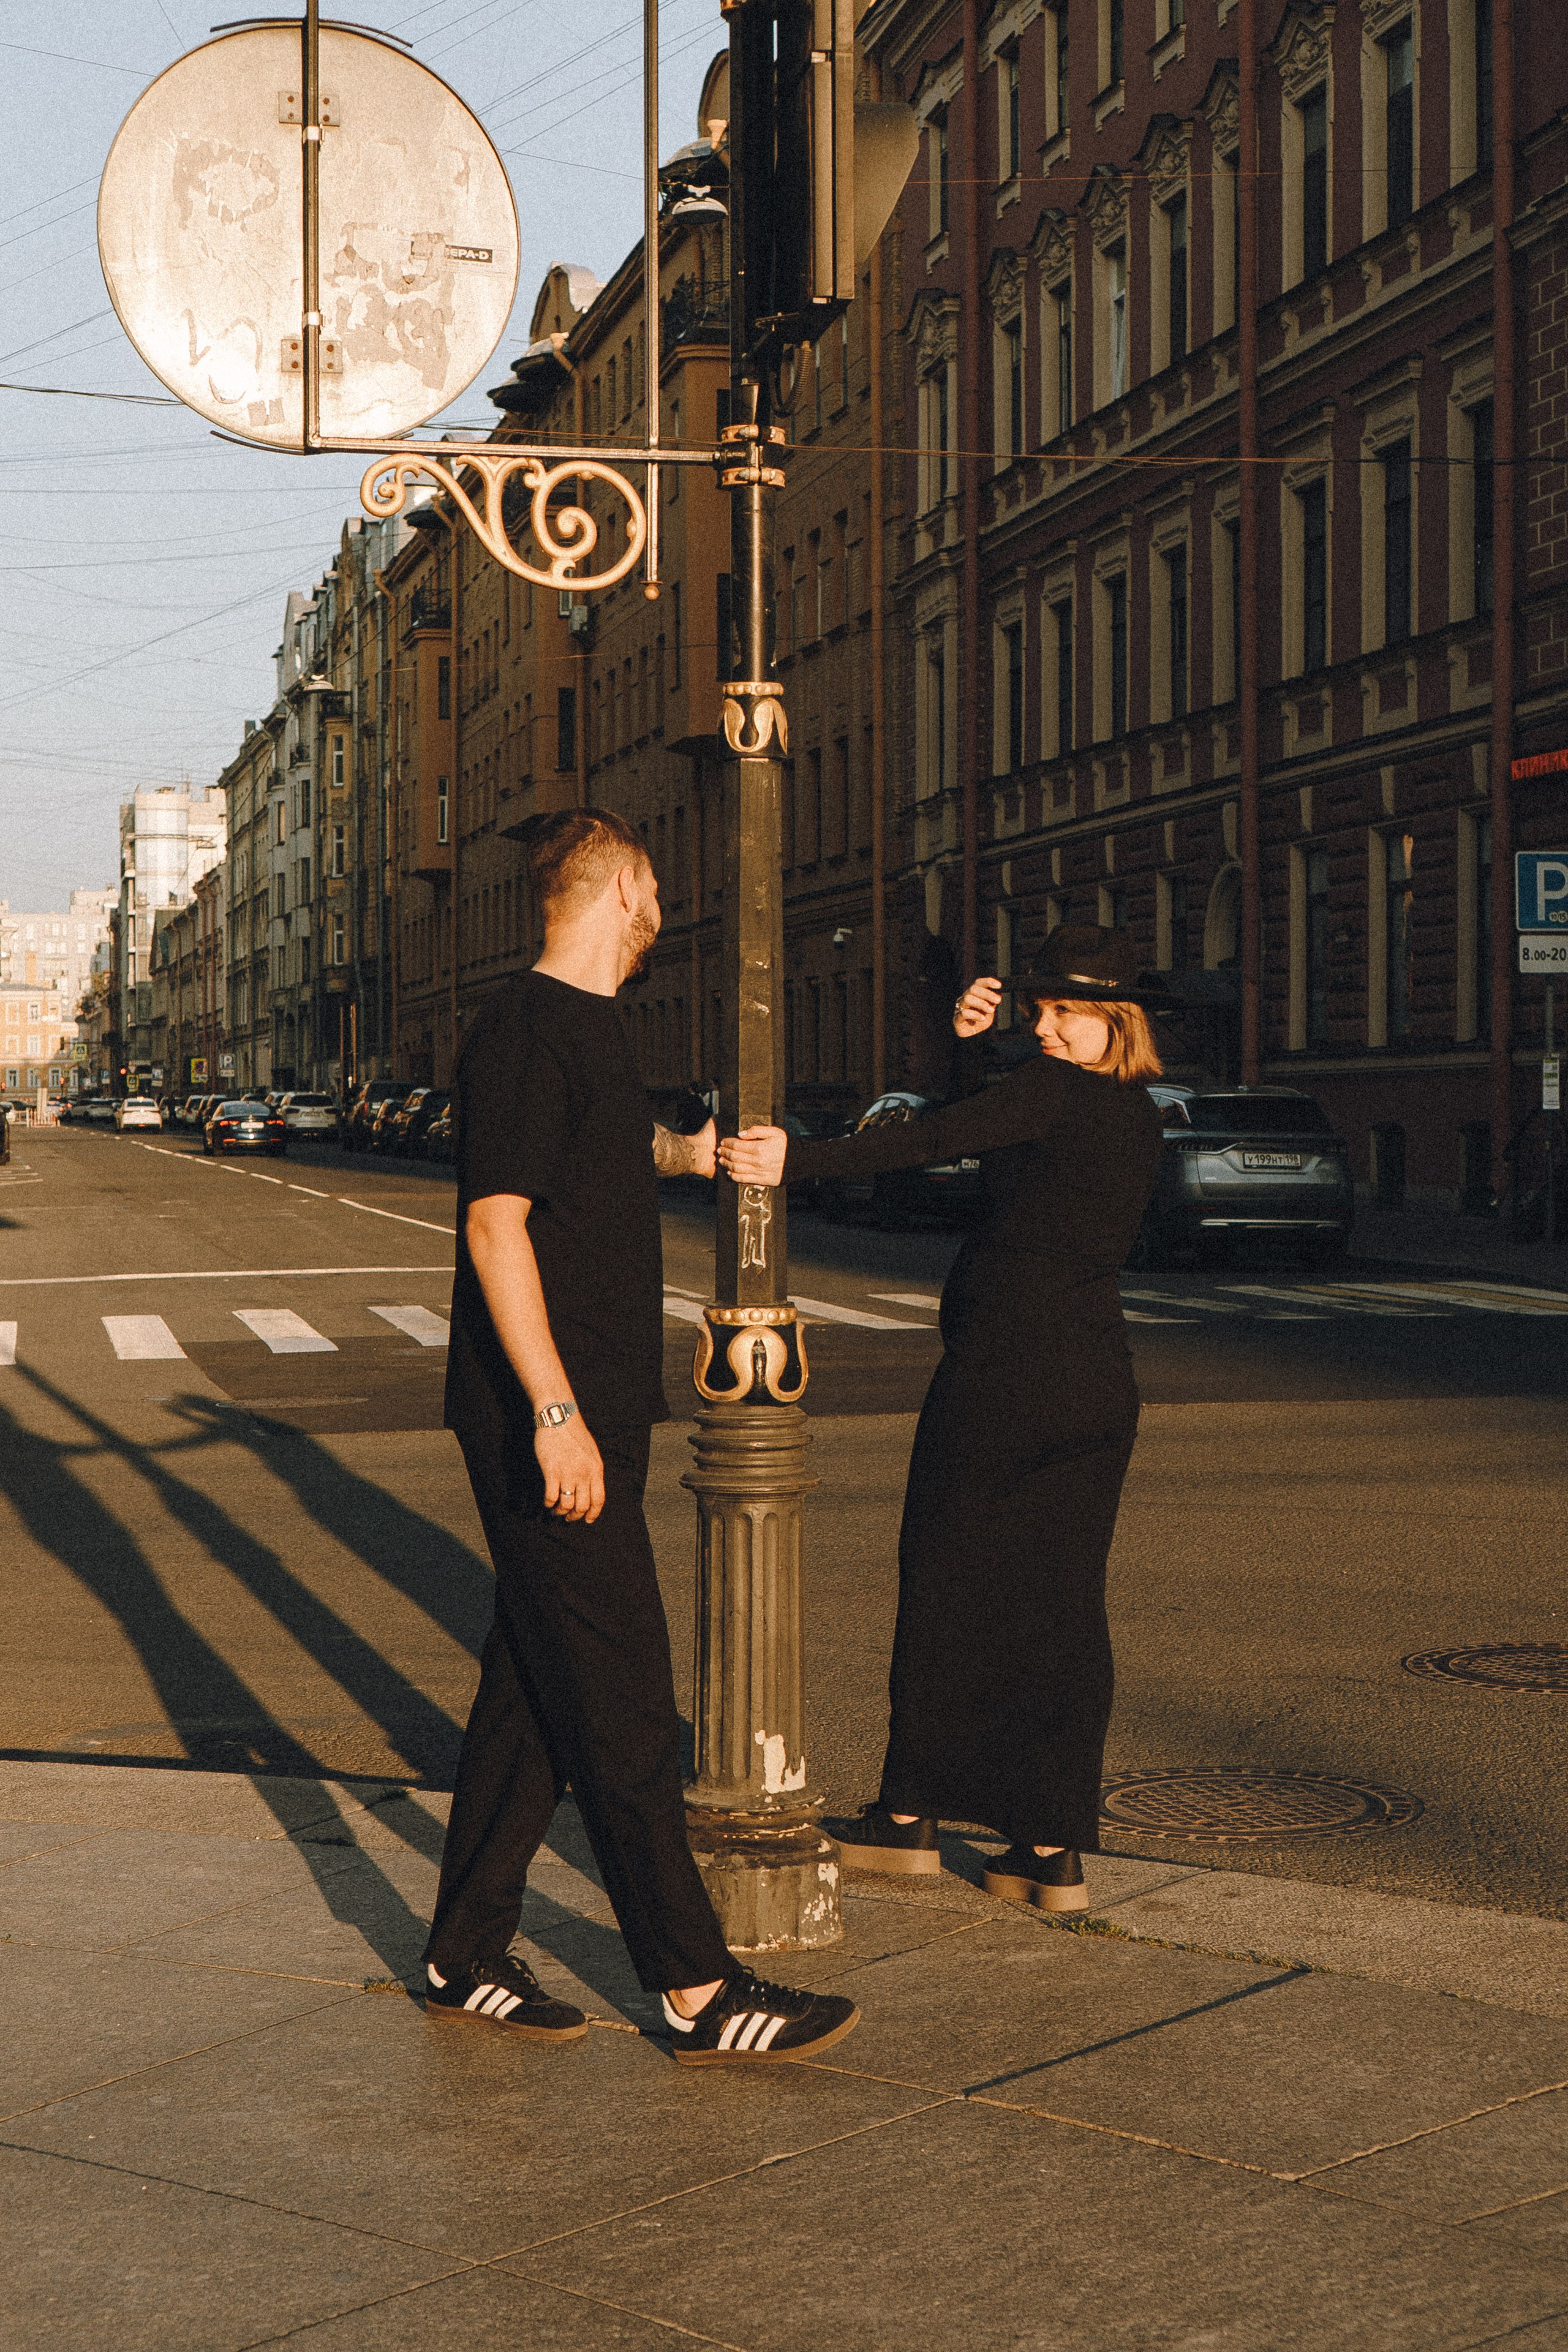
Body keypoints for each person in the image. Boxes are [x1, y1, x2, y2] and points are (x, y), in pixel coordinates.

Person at [423, 808, 859, 2067]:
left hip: (585, 1409)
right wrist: (555, 1416)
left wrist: (700, 1154)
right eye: (656, 882)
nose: (664, 903)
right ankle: (693, 1989)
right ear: (621, 889)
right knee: (621, 1708)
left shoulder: (590, 1036)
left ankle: (461, 1952)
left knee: (532, 1689)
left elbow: (604, 1155)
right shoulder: (522, 1030)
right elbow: (496, 1229)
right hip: (540, 1418)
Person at [720, 925, 1166, 1914]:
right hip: (1096, 1380)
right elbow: (1012, 1130)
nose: (1045, 1027)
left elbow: (933, 1140)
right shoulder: (1134, 1113)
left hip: (1005, 1376)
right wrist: (980, 1048)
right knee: (1058, 1604)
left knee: (944, 1577)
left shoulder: (1049, 1094)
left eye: (1067, 1013)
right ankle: (1047, 1850)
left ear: (1114, 1021)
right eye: (1040, 1009)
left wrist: (794, 1159)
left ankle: (909, 1816)